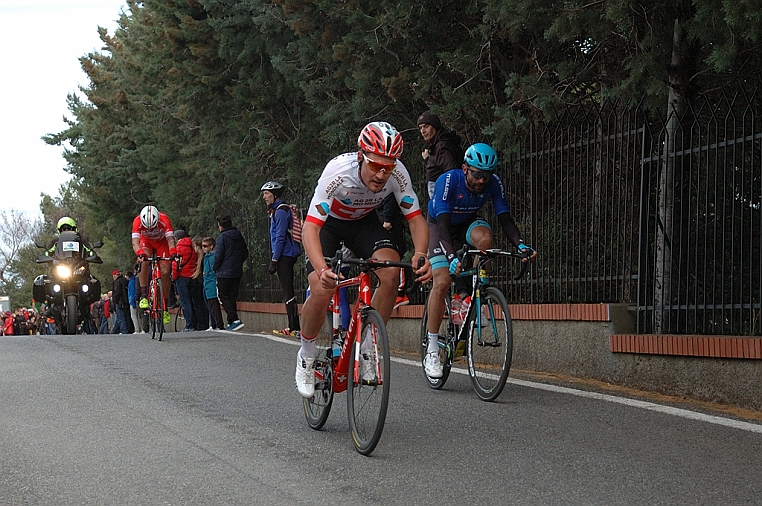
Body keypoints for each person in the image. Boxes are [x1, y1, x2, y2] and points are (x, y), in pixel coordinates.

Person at [294, 121, 432, 398]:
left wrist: (420, 253)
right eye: (375, 165)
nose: (382, 175)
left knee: (391, 272)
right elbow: (311, 228)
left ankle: (368, 346)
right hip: (328, 225)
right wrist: (321, 269)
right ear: (360, 157)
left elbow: (415, 218)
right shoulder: (338, 173)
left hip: (363, 222)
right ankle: (306, 354)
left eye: (388, 167)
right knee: (323, 287)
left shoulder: (398, 174)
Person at [423, 143, 538, 378]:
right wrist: (452, 257)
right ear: (465, 169)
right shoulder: (449, 181)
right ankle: (433, 348)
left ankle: (474, 296)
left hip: (466, 222)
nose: (482, 180)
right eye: (477, 174)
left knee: (485, 239)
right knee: (442, 281)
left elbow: (505, 219)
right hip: (440, 225)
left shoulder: (494, 183)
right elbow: (443, 227)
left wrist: (521, 245)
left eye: (486, 175)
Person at [261, 180, 302, 337]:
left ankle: (294, 327)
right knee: (287, 290)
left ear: (275, 194)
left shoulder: (280, 211)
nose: (264, 197)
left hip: (285, 255)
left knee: (287, 291)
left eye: (266, 193)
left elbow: (280, 237)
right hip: (285, 254)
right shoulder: (279, 210)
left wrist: (274, 260)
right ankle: (293, 326)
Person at [132, 205, 177, 326]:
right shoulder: (137, 221)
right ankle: (143, 295)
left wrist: (173, 251)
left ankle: (164, 306)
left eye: (153, 227)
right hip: (146, 242)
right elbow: (135, 243)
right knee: (144, 260)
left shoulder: (164, 219)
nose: (151, 230)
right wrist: (139, 253)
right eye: (148, 228)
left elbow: (171, 240)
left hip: (162, 243)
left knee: (165, 272)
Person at [213, 214, 249, 331]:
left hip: (224, 272)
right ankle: (231, 321)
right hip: (236, 271)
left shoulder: (222, 237)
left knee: (222, 295)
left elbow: (218, 255)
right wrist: (237, 263)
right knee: (232, 296)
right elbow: (245, 252)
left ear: (221, 226)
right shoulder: (238, 236)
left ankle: (234, 318)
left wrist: (215, 267)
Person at [417, 111, 464, 199]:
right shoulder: (438, 145)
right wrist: (428, 159)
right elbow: (439, 166)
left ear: (435, 127)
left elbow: (452, 173)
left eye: (426, 127)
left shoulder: (442, 147)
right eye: (420, 128)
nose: (423, 131)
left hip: (443, 199)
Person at [376, 193, 409, 309]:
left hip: (389, 222)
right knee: (382, 259)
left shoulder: (388, 180)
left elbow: (389, 196)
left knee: (395, 257)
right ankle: (389, 291)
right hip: (381, 220)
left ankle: (401, 293)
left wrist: (387, 218)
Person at [173, 229, 198, 331]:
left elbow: (176, 265)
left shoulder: (178, 248)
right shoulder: (193, 246)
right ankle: (197, 323)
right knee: (194, 301)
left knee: (185, 302)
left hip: (182, 277)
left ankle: (189, 324)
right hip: (193, 276)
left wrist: (173, 277)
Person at [201, 237, 223, 330]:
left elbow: (213, 271)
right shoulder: (206, 257)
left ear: (211, 246)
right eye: (202, 246)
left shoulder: (212, 257)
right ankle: (214, 324)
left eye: (205, 246)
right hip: (207, 283)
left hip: (211, 283)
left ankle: (218, 324)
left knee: (214, 305)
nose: (203, 248)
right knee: (210, 305)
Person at [111, 269, 130, 334]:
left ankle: (123, 331)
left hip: (120, 302)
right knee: (122, 317)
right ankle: (114, 331)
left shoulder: (117, 282)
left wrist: (115, 301)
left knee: (120, 317)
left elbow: (117, 293)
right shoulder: (125, 280)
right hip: (126, 301)